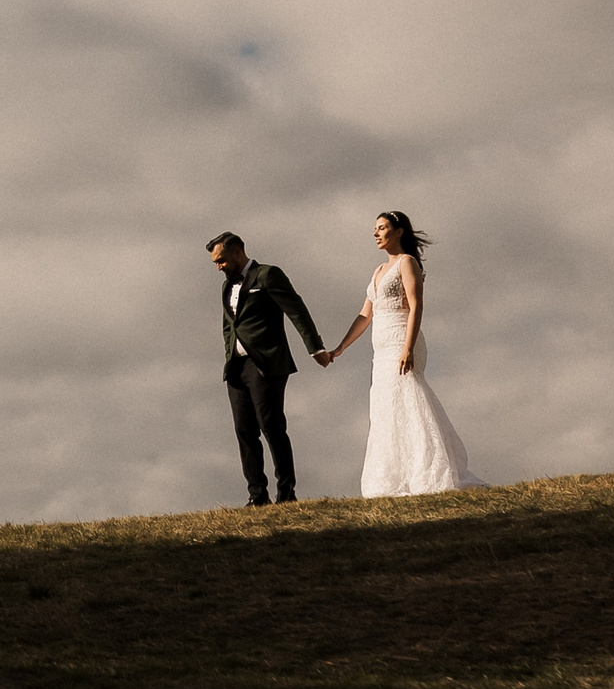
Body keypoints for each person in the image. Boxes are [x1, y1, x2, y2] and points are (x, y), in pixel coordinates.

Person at [319, 211, 486, 497]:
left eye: (382, 228)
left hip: (401, 340)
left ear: (398, 231)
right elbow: (364, 315)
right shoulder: (377, 271)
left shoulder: (407, 263)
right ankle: (395, 477)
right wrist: (341, 347)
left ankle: (427, 471)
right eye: (375, 229)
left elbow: (416, 305)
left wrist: (408, 348)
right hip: (380, 348)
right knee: (386, 407)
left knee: (409, 397)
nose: (376, 234)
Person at [207, 232, 328, 506]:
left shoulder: (268, 275)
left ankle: (286, 492)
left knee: (272, 426)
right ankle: (256, 495)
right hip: (236, 368)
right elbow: (230, 325)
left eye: (222, 260)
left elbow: (296, 309)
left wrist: (315, 348)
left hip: (266, 364)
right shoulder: (226, 286)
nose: (219, 267)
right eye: (215, 263)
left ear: (238, 251)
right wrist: (229, 355)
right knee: (244, 431)